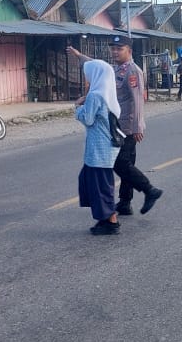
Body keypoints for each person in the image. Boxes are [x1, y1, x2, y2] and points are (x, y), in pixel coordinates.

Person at [67, 35, 163, 217]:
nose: (115, 52)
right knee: (126, 164)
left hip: (126, 127)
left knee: (121, 164)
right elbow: (96, 66)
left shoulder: (132, 71)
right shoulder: (115, 69)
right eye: (113, 48)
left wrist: (137, 127)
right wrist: (79, 55)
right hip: (116, 126)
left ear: (129, 51)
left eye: (120, 49)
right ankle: (125, 203)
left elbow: (137, 101)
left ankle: (150, 190)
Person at [74, 59, 122, 236]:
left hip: (99, 149)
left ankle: (111, 221)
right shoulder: (106, 92)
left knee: (101, 185)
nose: (86, 78)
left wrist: (77, 106)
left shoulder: (95, 95)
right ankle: (104, 218)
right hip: (105, 148)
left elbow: (87, 119)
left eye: (88, 74)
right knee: (93, 182)